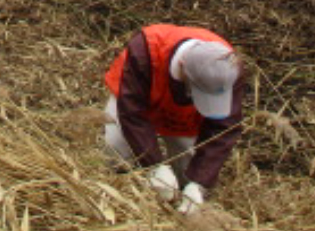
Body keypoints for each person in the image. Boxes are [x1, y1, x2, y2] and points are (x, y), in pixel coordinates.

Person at [102, 24, 244, 215]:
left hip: (183, 117)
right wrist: (153, 165)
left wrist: (199, 183)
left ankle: (181, 204)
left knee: (187, 174)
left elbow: (224, 128)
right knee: (115, 147)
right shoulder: (145, 49)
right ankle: (124, 195)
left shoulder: (228, 66)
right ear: (183, 68)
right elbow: (132, 112)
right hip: (135, 100)